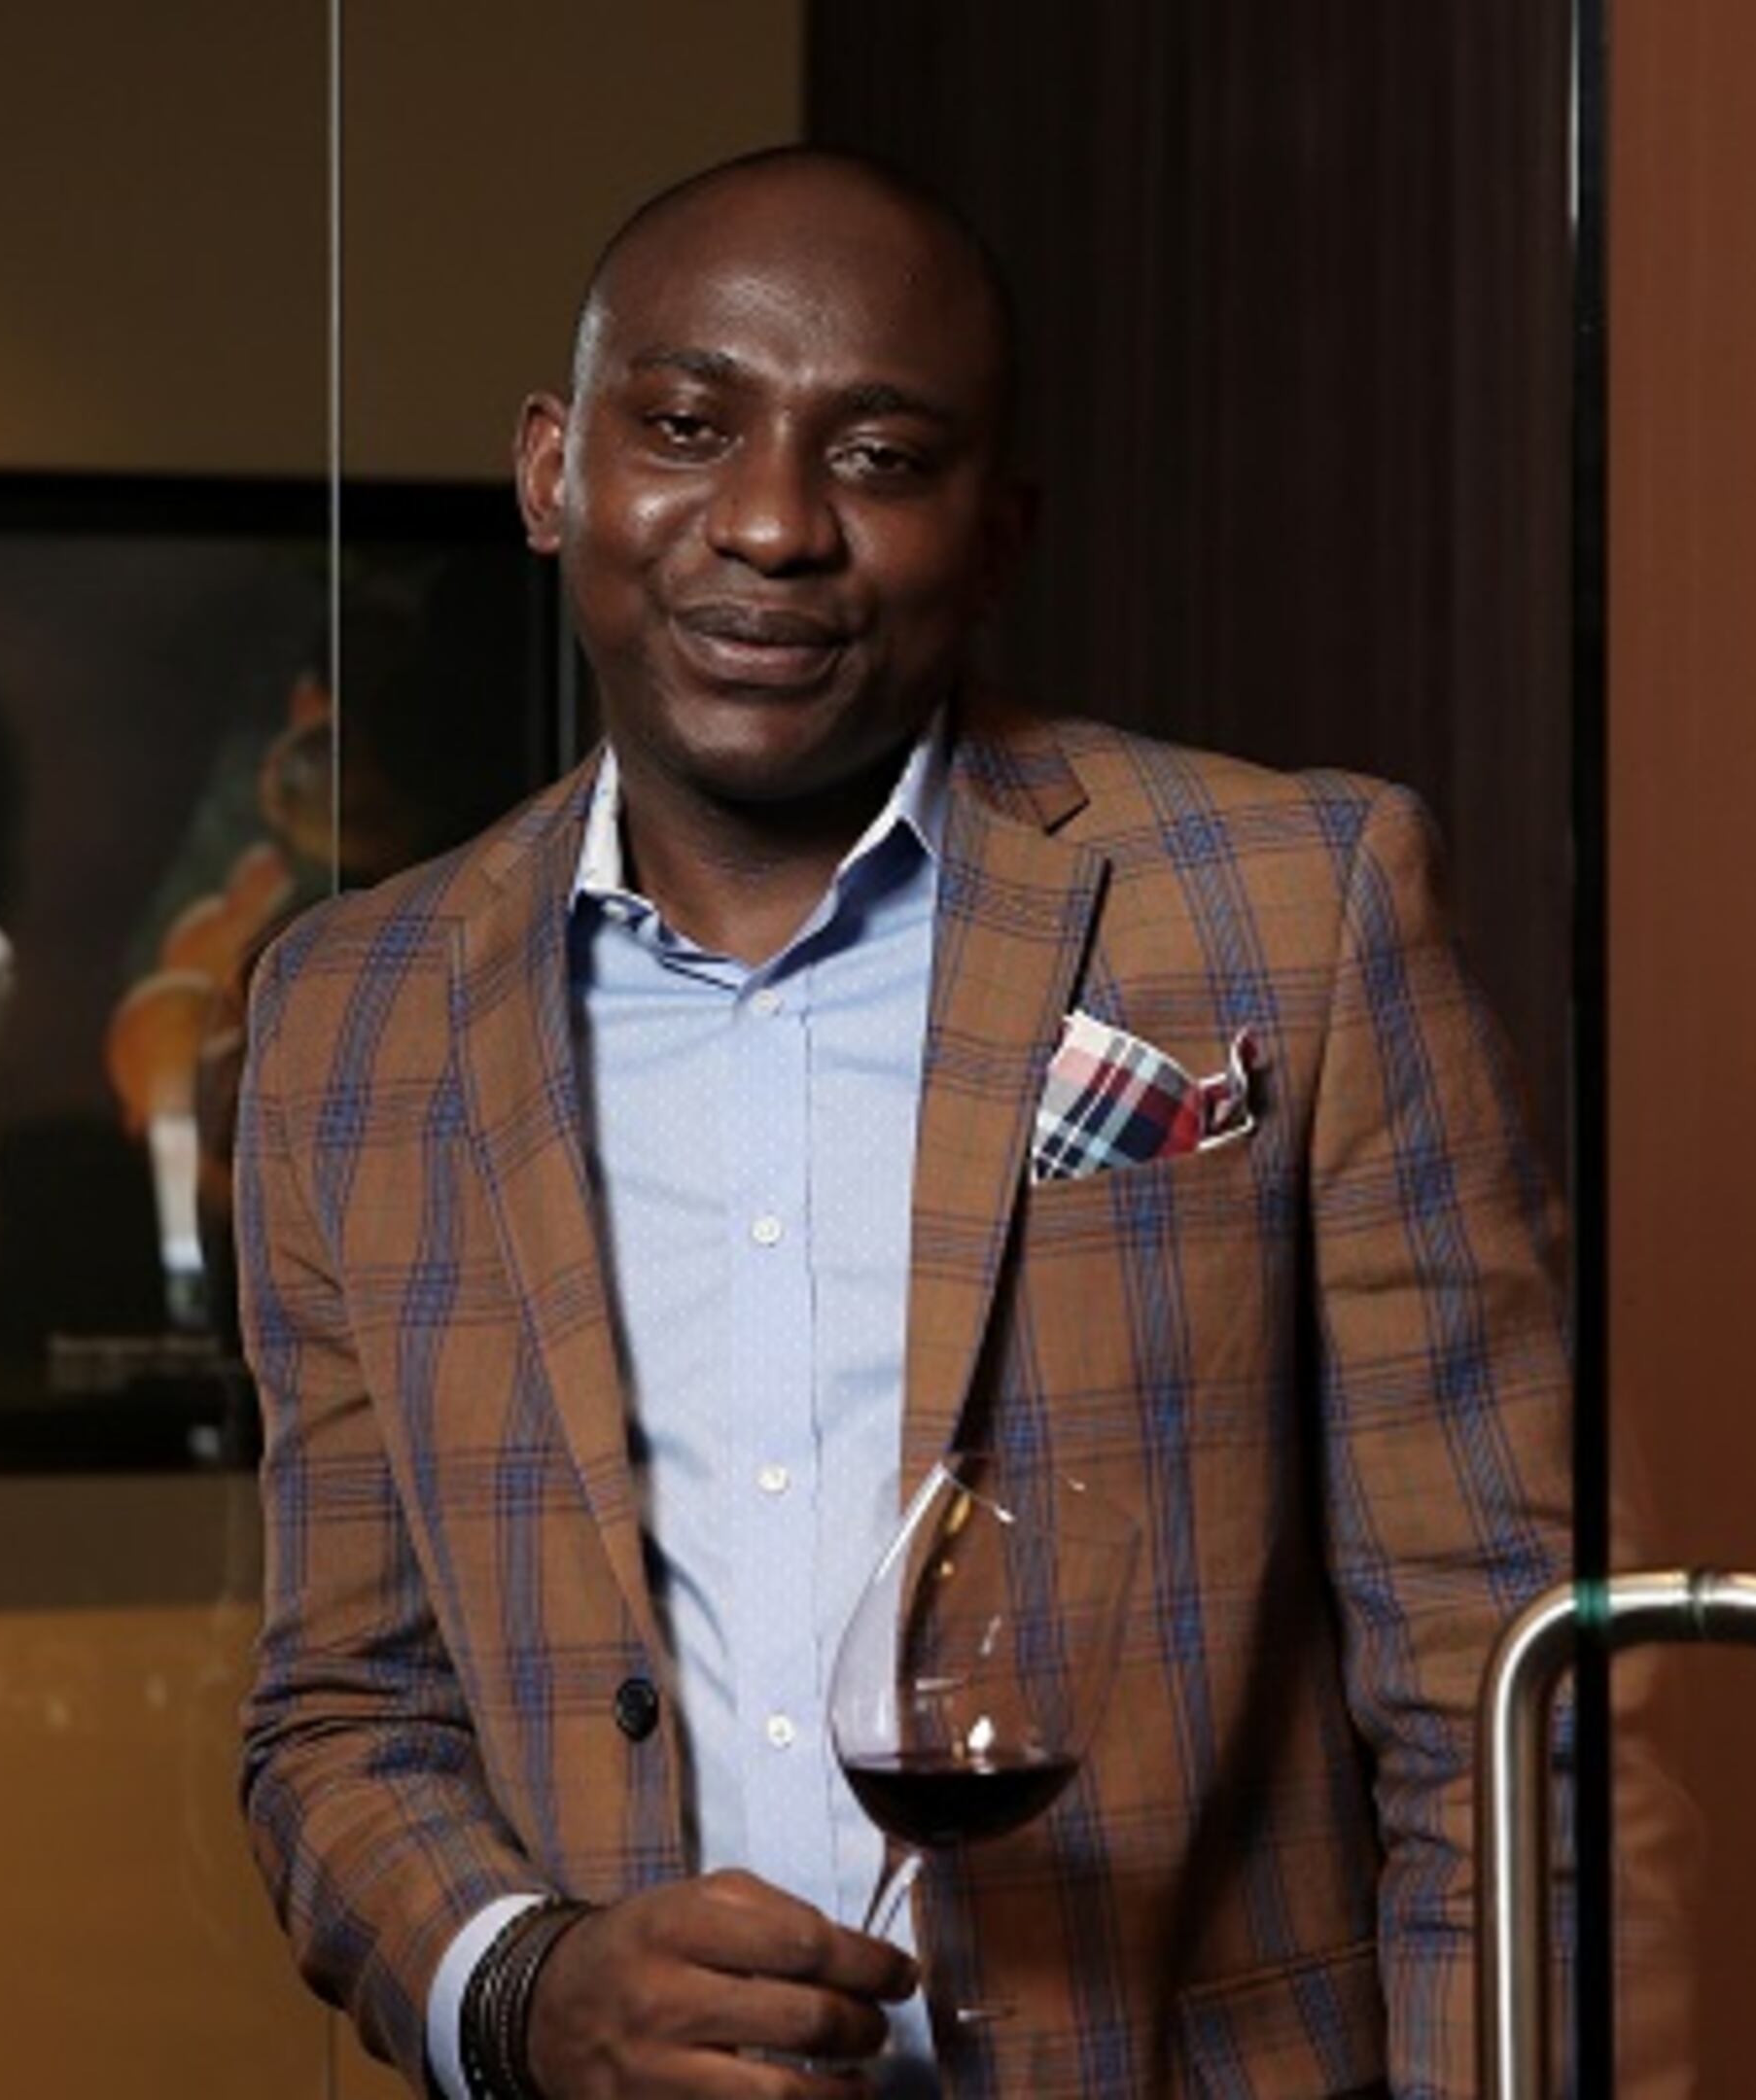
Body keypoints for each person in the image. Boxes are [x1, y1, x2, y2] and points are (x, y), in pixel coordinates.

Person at [236, 145, 1584, 2099]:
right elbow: (341, 1711)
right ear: (555, 474)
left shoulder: (1295, 905)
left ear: (999, 532)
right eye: (690, 426)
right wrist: (525, 1992)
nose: (773, 525)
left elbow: (1502, 1677)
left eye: (878, 457)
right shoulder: (350, 1018)